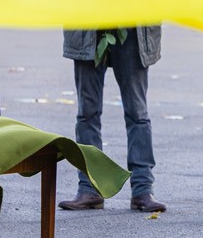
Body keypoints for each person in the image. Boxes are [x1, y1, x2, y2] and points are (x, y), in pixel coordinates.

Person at [59, 26, 166, 212]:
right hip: (87, 23)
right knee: (87, 113)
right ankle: (89, 188)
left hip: (133, 24)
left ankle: (143, 190)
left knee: (137, 113)